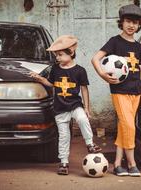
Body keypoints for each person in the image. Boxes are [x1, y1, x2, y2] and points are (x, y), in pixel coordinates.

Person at [30, 35, 102, 175]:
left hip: (75, 104)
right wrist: (40, 79)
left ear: (71, 52)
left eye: (60, 55)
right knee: (64, 136)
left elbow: (84, 89)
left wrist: (86, 107)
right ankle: (63, 163)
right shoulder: (55, 69)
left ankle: (90, 144)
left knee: (82, 119)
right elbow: (51, 84)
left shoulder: (80, 70)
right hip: (60, 107)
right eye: (56, 55)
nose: (57, 58)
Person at [91, 4, 141, 177]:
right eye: (128, 21)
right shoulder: (115, 42)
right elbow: (95, 59)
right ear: (121, 22)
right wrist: (103, 75)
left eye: (135, 22)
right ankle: (131, 163)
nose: (131, 25)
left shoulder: (138, 47)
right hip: (120, 90)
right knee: (129, 126)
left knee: (124, 127)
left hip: (136, 91)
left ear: (139, 25)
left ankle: (117, 164)